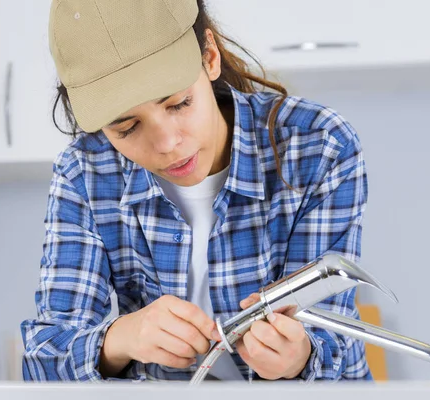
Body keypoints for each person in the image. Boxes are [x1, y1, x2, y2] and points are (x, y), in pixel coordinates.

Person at [21, 0, 372, 382]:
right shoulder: (84, 173)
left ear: (209, 57)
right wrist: (120, 338)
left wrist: (300, 356)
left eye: (179, 103)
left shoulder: (318, 147)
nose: (167, 143)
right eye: (126, 127)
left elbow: (331, 332)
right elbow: (44, 362)